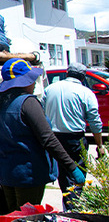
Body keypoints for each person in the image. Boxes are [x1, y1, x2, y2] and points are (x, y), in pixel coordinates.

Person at [0, 58, 85, 214]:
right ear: (24, 82)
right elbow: (48, 139)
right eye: (31, 79)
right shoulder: (28, 103)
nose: (33, 83)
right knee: (28, 216)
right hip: (28, 175)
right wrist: (72, 167)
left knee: (12, 216)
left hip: (6, 174)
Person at [43, 62, 106, 211]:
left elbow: (42, 113)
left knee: (63, 175)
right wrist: (100, 145)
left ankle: (69, 205)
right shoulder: (85, 92)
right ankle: (73, 209)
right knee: (77, 176)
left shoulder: (50, 89)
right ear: (83, 77)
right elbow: (95, 122)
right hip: (74, 139)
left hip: (54, 139)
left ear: (67, 73)